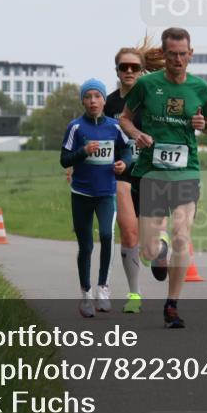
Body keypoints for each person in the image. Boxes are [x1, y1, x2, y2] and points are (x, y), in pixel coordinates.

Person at [119, 27, 207, 329]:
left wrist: (205, 125)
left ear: (191, 53)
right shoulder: (147, 85)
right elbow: (124, 118)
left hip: (187, 171)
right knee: (149, 250)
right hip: (151, 171)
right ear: (164, 54)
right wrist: (136, 134)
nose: (178, 59)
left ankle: (172, 305)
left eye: (183, 54)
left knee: (182, 236)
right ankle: (158, 251)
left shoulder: (200, 88)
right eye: (172, 54)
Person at [103, 39, 166, 314]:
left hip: (152, 174)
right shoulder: (109, 104)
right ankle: (134, 294)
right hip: (123, 175)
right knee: (129, 234)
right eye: (123, 67)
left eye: (134, 67)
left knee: (150, 248)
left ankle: (161, 247)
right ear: (117, 71)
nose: (128, 71)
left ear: (142, 70)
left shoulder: (155, 98)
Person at [60, 79, 132, 318]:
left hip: (106, 193)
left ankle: (103, 289)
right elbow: (64, 159)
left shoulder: (114, 126)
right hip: (81, 193)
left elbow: (127, 151)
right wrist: (83, 152)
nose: (93, 101)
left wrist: (124, 163)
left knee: (107, 235)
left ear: (104, 100)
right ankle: (86, 295)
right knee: (86, 246)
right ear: (83, 100)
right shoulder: (76, 127)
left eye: (97, 96)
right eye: (88, 96)